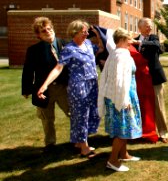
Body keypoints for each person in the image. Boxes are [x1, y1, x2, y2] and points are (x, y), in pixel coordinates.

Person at [38, 20, 102, 158]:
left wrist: (98, 34)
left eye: (86, 31)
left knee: (92, 113)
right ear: (75, 32)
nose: (86, 34)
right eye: (83, 31)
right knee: (81, 115)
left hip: (92, 85)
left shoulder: (89, 44)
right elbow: (58, 68)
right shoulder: (69, 49)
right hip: (78, 86)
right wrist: (45, 85)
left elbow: (101, 49)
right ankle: (84, 148)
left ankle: (79, 142)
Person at [22, 17, 70, 152]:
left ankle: (78, 140)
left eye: (49, 28)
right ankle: (50, 143)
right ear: (38, 35)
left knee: (73, 114)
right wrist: (26, 89)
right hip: (43, 91)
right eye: (43, 31)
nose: (48, 32)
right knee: (47, 118)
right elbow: (28, 70)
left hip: (63, 88)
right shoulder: (33, 50)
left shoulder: (65, 44)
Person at [98, 28, 142, 172]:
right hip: (121, 96)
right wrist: (124, 100)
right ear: (123, 40)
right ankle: (112, 160)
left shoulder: (115, 53)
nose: (131, 41)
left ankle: (124, 154)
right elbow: (120, 80)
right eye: (129, 39)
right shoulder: (122, 55)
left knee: (122, 128)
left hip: (117, 95)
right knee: (123, 129)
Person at [134, 17, 168, 143]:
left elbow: (157, 46)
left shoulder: (153, 38)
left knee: (158, 106)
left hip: (154, 78)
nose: (149, 28)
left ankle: (163, 133)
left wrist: (140, 43)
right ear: (140, 27)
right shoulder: (134, 41)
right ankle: (143, 131)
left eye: (150, 26)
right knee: (141, 106)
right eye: (147, 25)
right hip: (139, 79)